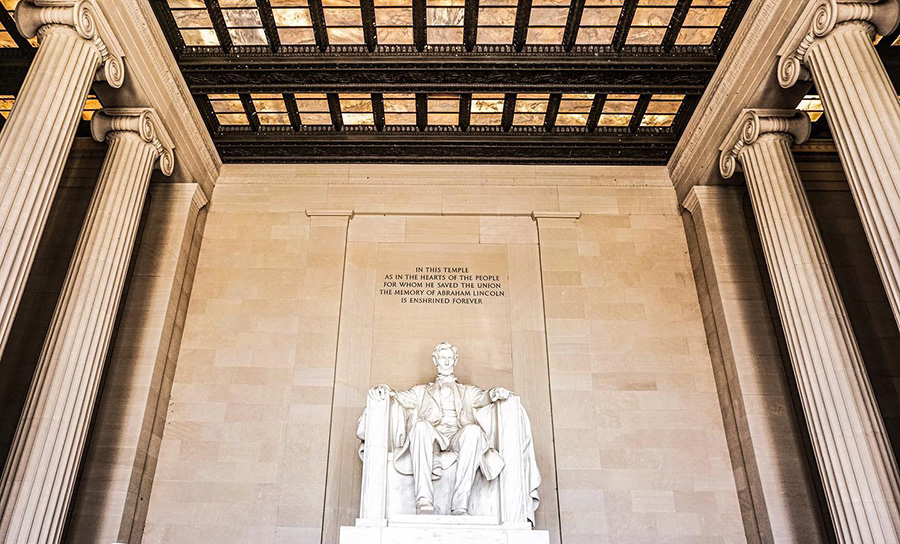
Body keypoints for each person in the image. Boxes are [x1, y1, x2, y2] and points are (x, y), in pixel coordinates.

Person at [368, 342, 511, 515]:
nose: (446, 362)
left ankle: (460, 505)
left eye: (450, 358)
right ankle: (423, 501)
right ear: (435, 360)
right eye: (442, 358)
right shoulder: (421, 391)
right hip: (433, 437)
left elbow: (484, 397)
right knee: (420, 426)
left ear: (455, 360)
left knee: (473, 431)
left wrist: (496, 392)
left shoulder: (467, 391)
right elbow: (399, 397)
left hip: (458, 436)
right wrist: (385, 390)